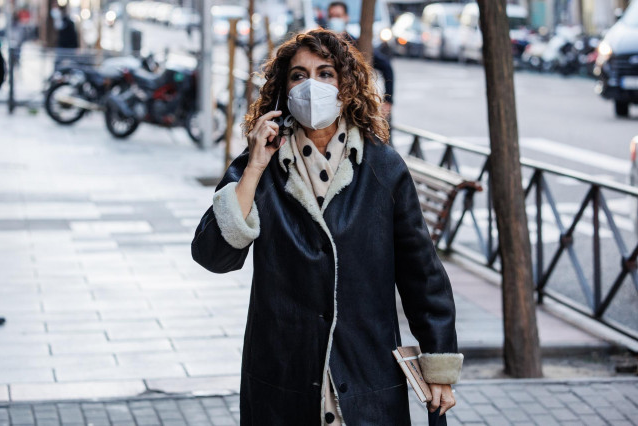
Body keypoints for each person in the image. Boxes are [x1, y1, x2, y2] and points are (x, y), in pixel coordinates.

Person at [191, 29, 462, 425]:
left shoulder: (383, 168)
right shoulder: (261, 166)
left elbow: (421, 272)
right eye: (299, 76)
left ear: (345, 85)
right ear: (284, 89)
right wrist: (252, 168)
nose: (311, 85)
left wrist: (438, 367)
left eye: (325, 73)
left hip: (366, 372)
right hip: (282, 375)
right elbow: (214, 255)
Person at [326, 1, 394, 120]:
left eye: (338, 16)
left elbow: (386, 67)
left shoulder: (355, 44)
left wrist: (388, 101)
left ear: (346, 18)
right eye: (332, 16)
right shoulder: (321, 45)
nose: (334, 20)